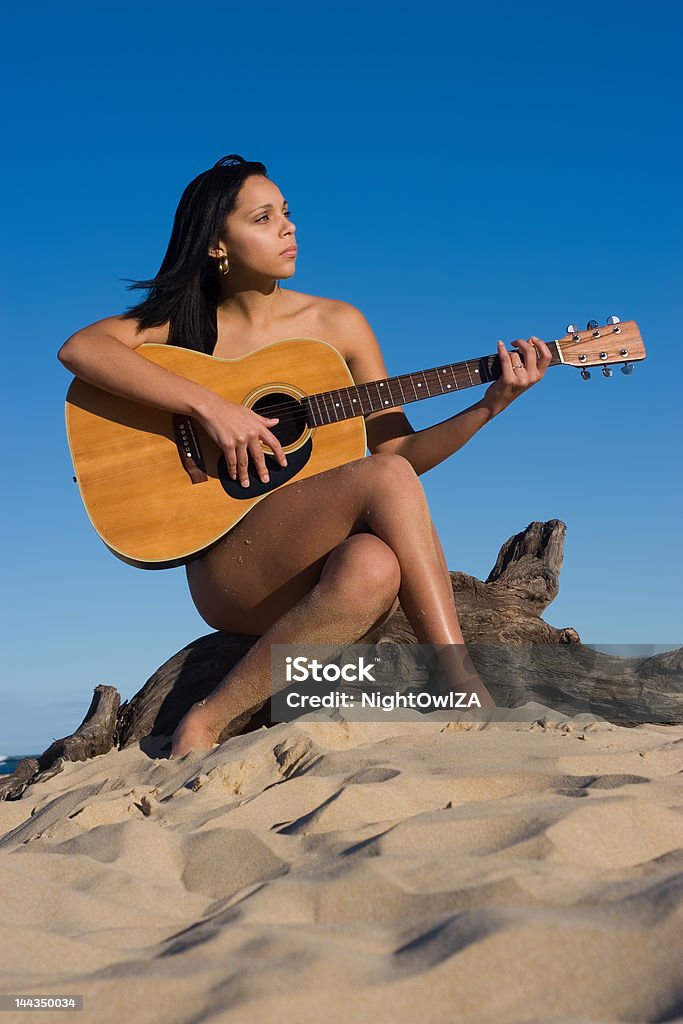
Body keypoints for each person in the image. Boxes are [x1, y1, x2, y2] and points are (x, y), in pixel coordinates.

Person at [57, 154, 552, 758]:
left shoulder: (338, 325)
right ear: (218, 245)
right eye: (263, 218)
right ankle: (461, 684)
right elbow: (81, 349)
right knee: (385, 483)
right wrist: (212, 408)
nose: (288, 228)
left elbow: (398, 451)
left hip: (312, 560)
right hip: (230, 569)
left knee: (374, 564)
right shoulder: (183, 327)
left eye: (287, 213)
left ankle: (206, 719)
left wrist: (489, 406)